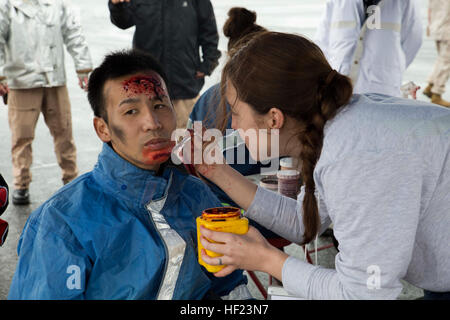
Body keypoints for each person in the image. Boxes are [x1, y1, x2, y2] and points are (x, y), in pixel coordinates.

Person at [192, 32, 450, 300]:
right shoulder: (338, 127)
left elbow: (363, 294)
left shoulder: (358, 157)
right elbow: (303, 222)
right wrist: (218, 172)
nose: (233, 126)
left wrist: (265, 259)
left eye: (235, 112)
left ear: (273, 118)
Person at [8, 50, 251, 300]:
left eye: (159, 105)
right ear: (103, 129)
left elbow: (229, 287)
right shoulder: (62, 221)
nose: (153, 122)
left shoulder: (196, 196)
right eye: (131, 111)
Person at [0, 0, 93, 205]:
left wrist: (83, 67)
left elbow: (73, 32)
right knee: (21, 137)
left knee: (64, 132)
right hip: (21, 82)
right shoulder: (7, 4)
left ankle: (71, 179)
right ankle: (21, 183)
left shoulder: (59, 3)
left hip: (54, 80)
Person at [108, 0, 221, 129]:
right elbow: (123, 21)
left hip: (185, 84)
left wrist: (207, 65)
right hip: (145, 84)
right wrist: (117, 5)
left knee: (186, 141)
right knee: (148, 138)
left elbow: (209, 31)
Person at [314, 0, 422, 97]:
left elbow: (413, 42)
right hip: (339, 89)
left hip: (381, 91)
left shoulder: (404, 3)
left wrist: (390, 70)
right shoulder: (337, 2)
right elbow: (322, 44)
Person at [422, 0, 450, 108]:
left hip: (437, 27)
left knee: (442, 60)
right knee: (446, 62)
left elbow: (430, 10)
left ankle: (431, 85)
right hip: (447, 28)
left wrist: (430, 27)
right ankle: (437, 94)